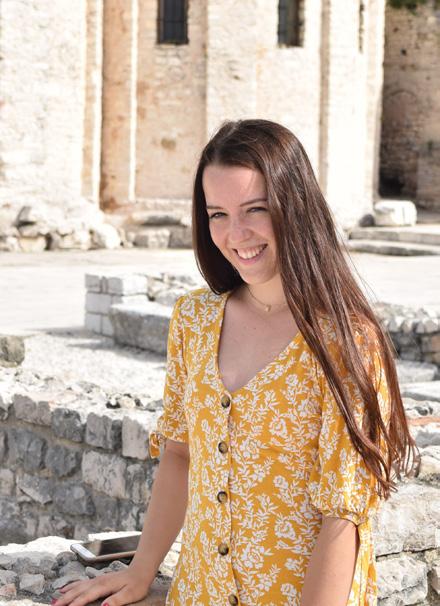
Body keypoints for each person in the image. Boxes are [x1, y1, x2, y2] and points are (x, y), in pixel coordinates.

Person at [53, 119, 418, 606]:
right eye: (218, 214)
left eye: (255, 209)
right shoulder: (194, 319)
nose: (236, 233)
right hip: (197, 594)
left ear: (295, 206)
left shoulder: (347, 343)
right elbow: (180, 455)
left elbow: (342, 516)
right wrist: (140, 572)